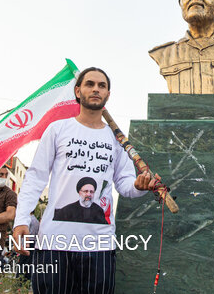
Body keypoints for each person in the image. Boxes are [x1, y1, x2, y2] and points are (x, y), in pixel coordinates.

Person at [13, 67, 160, 294]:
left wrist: (141, 186)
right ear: (78, 91)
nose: (95, 89)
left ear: (108, 95)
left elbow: (125, 183)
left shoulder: (115, 139)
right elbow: (35, 178)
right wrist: (21, 219)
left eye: (102, 86)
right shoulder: (58, 129)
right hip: (54, 242)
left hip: (99, 246)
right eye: (90, 84)